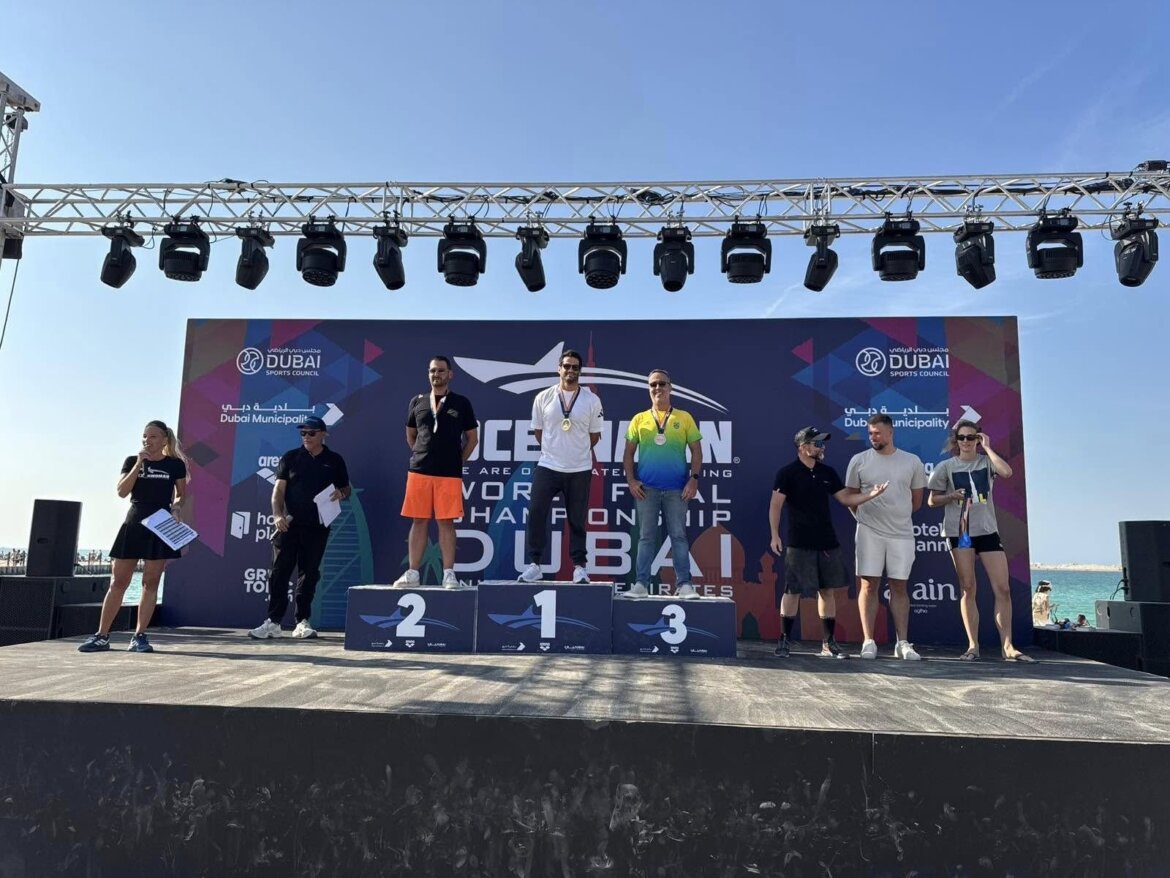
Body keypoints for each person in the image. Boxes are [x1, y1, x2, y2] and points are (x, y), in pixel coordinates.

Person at [769, 427, 889, 658]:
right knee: (792, 591)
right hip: (798, 541)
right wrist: (775, 535)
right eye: (817, 443)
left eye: (822, 443)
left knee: (827, 590)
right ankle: (784, 640)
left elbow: (845, 498)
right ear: (803, 447)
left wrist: (870, 495)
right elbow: (775, 505)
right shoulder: (787, 473)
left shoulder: (827, 472)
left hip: (826, 541)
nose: (821, 447)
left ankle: (828, 643)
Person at [927, 420, 1033, 662]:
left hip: (987, 530)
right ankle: (973, 646)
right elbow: (932, 501)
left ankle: (1008, 646)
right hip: (960, 531)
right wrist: (951, 496)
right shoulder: (946, 466)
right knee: (968, 587)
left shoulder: (986, 462)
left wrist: (988, 448)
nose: (966, 441)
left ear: (978, 438)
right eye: (962, 437)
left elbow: (1007, 472)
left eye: (971, 437)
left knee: (1003, 588)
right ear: (956, 440)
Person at [79, 420, 188, 653]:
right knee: (118, 582)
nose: (147, 441)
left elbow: (181, 495)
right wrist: (139, 464)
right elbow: (121, 491)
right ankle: (101, 636)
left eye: (153, 437)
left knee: (150, 582)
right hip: (133, 523)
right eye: (144, 436)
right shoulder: (132, 461)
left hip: (160, 525)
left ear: (164, 440)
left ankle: (139, 636)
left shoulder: (175, 465)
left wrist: (176, 509)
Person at [248, 416, 351, 640]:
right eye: (303, 433)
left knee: (309, 574)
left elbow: (346, 488)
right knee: (279, 573)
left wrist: (341, 493)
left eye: (311, 433)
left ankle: (302, 621)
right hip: (289, 525)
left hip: (317, 526)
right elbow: (278, 491)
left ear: (323, 434)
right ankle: (273, 622)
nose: (306, 437)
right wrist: (277, 515)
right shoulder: (290, 457)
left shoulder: (334, 460)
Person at [844, 413, 927, 660]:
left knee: (899, 585)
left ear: (891, 433)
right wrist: (864, 519)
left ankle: (903, 643)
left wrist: (896, 516)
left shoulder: (912, 461)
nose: (873, 437)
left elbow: (916, 502)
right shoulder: (859, 460)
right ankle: (868, 641)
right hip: (869, 532)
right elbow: (850, 497)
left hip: (901, 533)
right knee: (868, 585)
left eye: (878, 433)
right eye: (870, 433)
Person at [519, 348, 604, 584]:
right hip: (548, 465)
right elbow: (539, 432)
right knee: (536, 513)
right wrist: (555, 449)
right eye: (566, 366)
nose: (570, 370)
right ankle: (535, 564)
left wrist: (575, 451)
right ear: (559, 369)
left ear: (580, 371)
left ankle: (579, 567)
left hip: (579, 468)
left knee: (577, 519)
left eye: (575, 367)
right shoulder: (543, 397)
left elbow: (594, 436)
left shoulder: (591, 400)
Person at [393, 356, 479, 588]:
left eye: (441, 371)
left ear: (450, 374)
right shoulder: (417, 401)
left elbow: (472, 439)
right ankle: (413, 573)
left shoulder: (461, 403)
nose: (436, 375)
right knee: (419, 520)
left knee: (446, 522)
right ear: (428, 374)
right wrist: (423, 455)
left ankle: (449, 574)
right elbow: (411, 435)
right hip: (419, 471)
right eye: (432, 371)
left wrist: (457, 461)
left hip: (449, 474)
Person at [622, 369, 702, 599]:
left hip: (677, 489)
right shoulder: (639, 419)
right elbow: (628, 454)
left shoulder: (684, 418)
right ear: (649, 389)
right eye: (653, 385)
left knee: (678, 536)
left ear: (670, 387)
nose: (657, 388)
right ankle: (641, 584)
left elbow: (697, 451)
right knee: (646, 537)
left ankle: (684, 585)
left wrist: (694, 479)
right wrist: (631, 481)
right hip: (646, 489)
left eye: (662, 384)